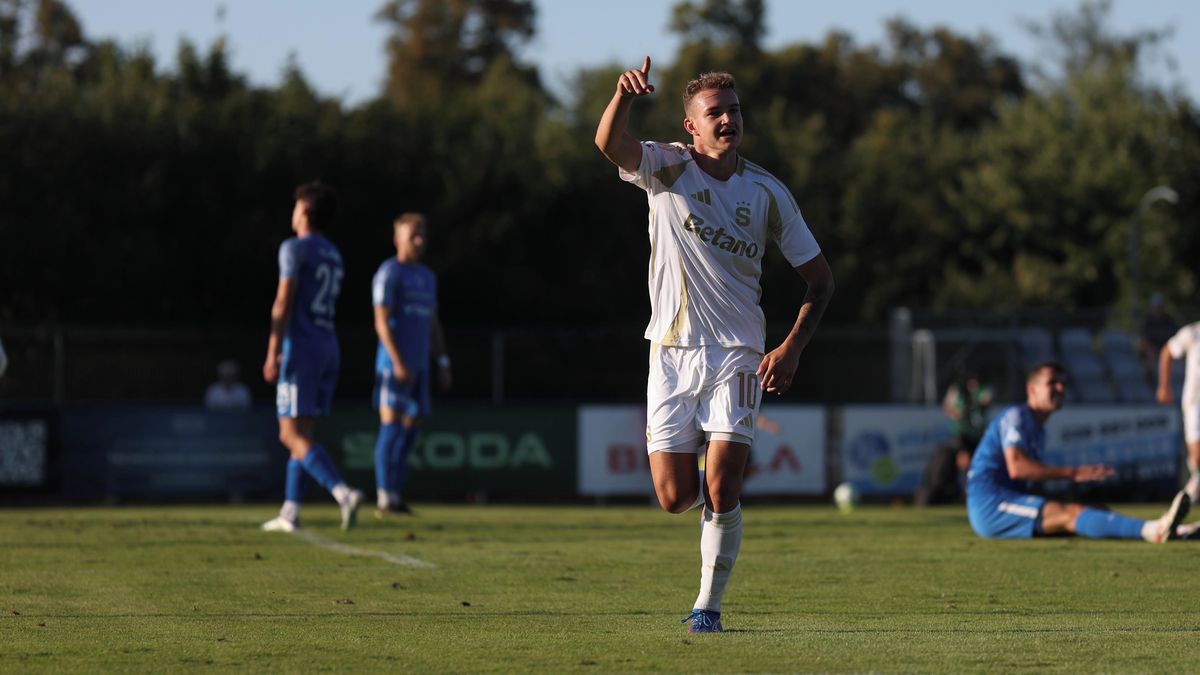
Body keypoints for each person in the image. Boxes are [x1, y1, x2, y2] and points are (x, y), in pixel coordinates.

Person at [595, 57, 835, 633]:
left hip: (738, 354)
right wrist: (623, 96)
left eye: (734, 110)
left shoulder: (768, 192)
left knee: (723, 483)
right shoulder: (666, 168)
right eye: (715, 113)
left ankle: (708, 606)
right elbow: (609, 143)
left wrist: (793, 346)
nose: (728, 119)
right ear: (691, 127)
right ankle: (710, 524)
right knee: (675, 496)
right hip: (672, 351)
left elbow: (820, 279)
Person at [967, 361, 1188, 542]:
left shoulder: (1038, 428)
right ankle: (1155, 530)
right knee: (1071, 514)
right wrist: (1073, 473)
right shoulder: (1016, 417)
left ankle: (1172, 531)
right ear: (1031, 389)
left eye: (1063, 383)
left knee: (1094, 510)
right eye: (1052, 383)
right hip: (991, 504)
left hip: (1010, 499)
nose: (1060, 389)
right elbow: (1018, 468)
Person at [260, 180, 362, 533]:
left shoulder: (294, 248)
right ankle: (291, 511)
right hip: (327, 346)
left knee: (289, 434)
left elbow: (283, 302)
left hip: (301, 348)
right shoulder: (334, 254)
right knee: (303, 434)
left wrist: (273, 351)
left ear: (304, 211)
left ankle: (342, 493)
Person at [370, 213, 452, 516]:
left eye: (422, 236)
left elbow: (433, 324)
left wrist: (442, 361)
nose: (419, 241)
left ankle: (395, 494)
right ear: (398, 239)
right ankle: (383, 498)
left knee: (411, 432)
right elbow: (381, 322)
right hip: (393, 367)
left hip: (420, 366)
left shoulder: (427, 277)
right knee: (390, 428)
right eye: (412, 236)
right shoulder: (389, 273)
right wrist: (397, 361)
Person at [915, 370, 993, 506]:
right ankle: (964, 496)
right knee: (963, 464)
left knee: (979, 465)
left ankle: (975, 496)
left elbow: (986, 400)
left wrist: (975, 403)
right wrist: (961, 411)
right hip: (961, 435)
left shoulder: (983, 389)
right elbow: (949, 408)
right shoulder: (957, 390)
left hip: (977, 435)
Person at [1156, 320, 1200, 507]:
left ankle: (1192, 492)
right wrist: (1164, 386)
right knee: (1197, 456)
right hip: (1195, 402)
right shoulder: (1193, 332)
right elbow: (1167, 351)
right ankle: (1194, 488)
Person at [1141, 293, 1177, 372]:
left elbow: (1174, 335)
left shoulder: (1168, 320)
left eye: (1159, 307)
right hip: (1152, 347)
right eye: (1156, 307)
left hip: (1166, 346)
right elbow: (1145, 338)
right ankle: (1149, 375)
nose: (1158, 309)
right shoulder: (1148, 321)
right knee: (1150, 353)